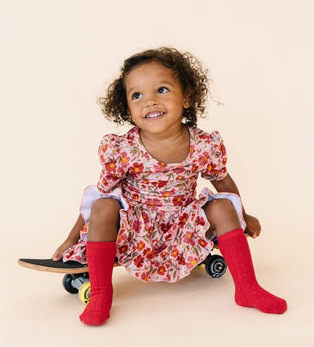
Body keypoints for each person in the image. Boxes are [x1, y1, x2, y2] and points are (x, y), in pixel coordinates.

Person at [53, 47, 287, 325]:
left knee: (222, 204)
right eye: (136, 95)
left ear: (187, 97)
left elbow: (223, 180)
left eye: (161, 90)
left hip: (184, 224)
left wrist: (243, 215)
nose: (149, 102)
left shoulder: (203, 145)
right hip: (137, 227)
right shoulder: (123, 149)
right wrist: (71, 238)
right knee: (105, 203)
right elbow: (99, 196)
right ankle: (102, 293)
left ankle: (248, 288)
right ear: (127, 108)